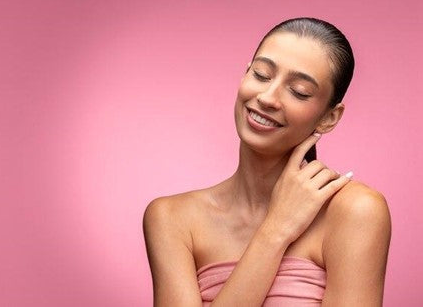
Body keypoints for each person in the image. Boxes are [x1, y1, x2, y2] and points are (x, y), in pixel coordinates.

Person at [143, 17, 391, 306]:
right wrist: (275, 230)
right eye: (261, 75)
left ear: (328, 117)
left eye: (299, 91)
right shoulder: (172, 218)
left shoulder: (355, 211)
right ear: (245, 74)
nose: (268, 97)